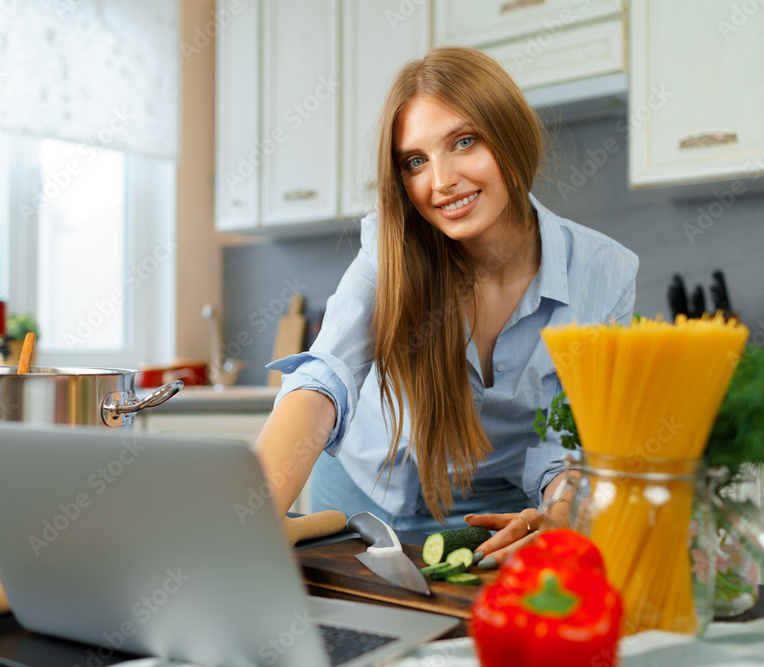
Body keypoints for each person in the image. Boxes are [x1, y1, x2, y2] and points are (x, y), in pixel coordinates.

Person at [255, 46, 638, 569]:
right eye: (416, 161)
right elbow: (324, 379)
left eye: (464, 142)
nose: (441, 181)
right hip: (360, 499)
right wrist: (245, 519)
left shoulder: (605, 273)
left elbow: (574, 436)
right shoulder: (389, 252)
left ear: (511, 135)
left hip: (499, 513)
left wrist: (561, 513)